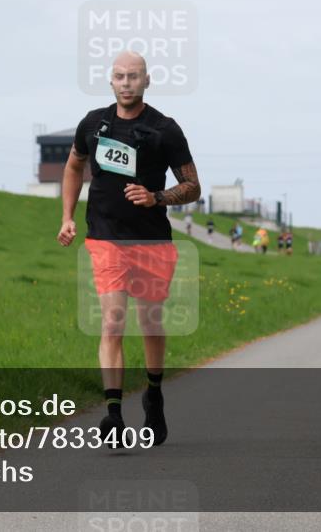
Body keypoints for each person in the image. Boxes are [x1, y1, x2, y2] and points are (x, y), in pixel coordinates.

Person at [57, 50, 200, 447]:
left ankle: (153, 395)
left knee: (150, 322)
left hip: (152, 241)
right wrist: (67, 217)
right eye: (119, 76)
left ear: (146, 80)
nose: (126, 83)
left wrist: (156, 197)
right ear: (111, 80)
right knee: (112, 322)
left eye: (133, 76)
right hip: (105, 238)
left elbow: (192, 186)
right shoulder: (93, 124)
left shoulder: (165, 129)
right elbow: (73, 166)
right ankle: (114, 414)